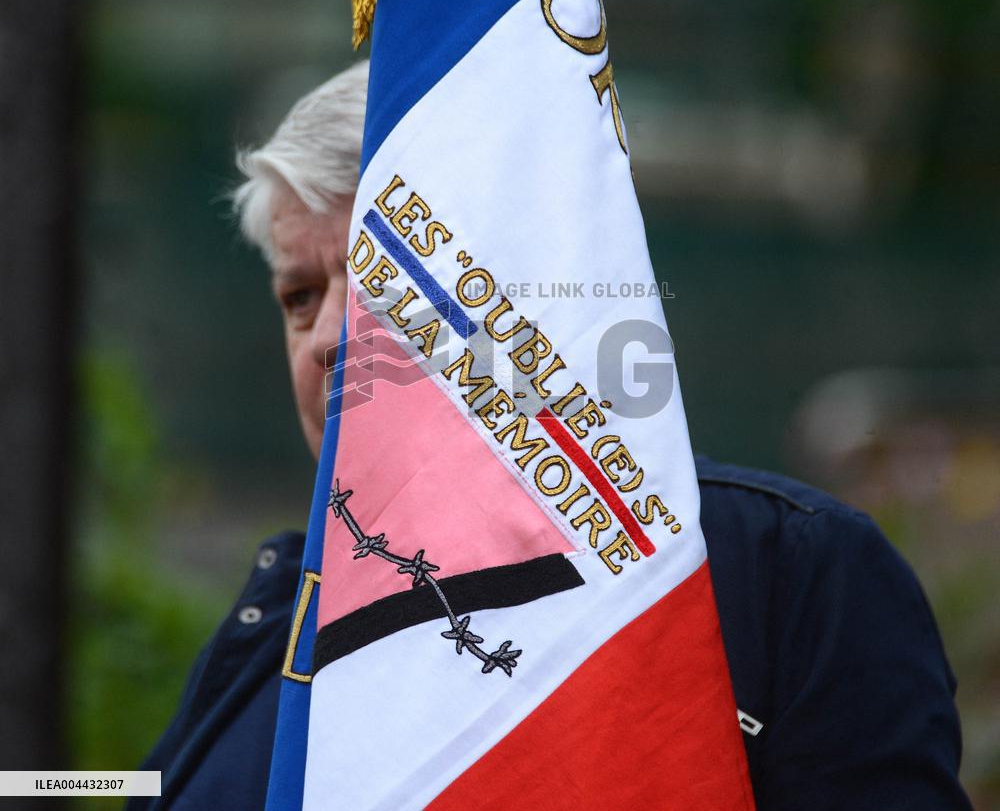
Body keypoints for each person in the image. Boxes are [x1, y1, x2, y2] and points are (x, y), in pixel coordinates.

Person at [127, 62, 971, 810]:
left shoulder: (785, 577)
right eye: (300, 295)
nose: (330, 337)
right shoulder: (274, 619)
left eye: (383, 277)